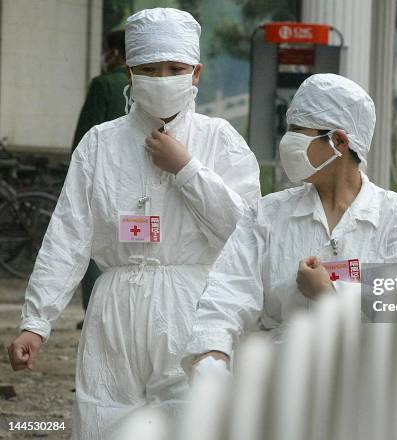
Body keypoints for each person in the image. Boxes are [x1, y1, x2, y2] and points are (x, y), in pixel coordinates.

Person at [7, 8, 260, 439]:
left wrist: (187, 170)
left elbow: (246, 235)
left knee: (193, 423)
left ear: (196, 73)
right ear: (129, 73)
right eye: (149, 69)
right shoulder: (100, 145)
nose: (163, 78)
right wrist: (37, 320)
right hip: (115, 316)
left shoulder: (220, 141)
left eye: (175, 68)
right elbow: (69, 235)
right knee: (106, 420)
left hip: (193, 308)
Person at [181, 73, 397, 370]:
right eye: (288, 128)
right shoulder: (268, 214)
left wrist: (331, 293)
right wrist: (212, 356)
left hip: (365, 384)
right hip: (281, 383)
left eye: (299, 131)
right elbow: (227, 294)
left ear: (339, 141)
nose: (287, 141)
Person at [72, 30, 129, 329]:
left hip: (105, 180)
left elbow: (84, 138)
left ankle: (96, 309)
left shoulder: (105, 84)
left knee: (96, 244)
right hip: (141, 181)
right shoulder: (147, 86)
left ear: (116, 53)